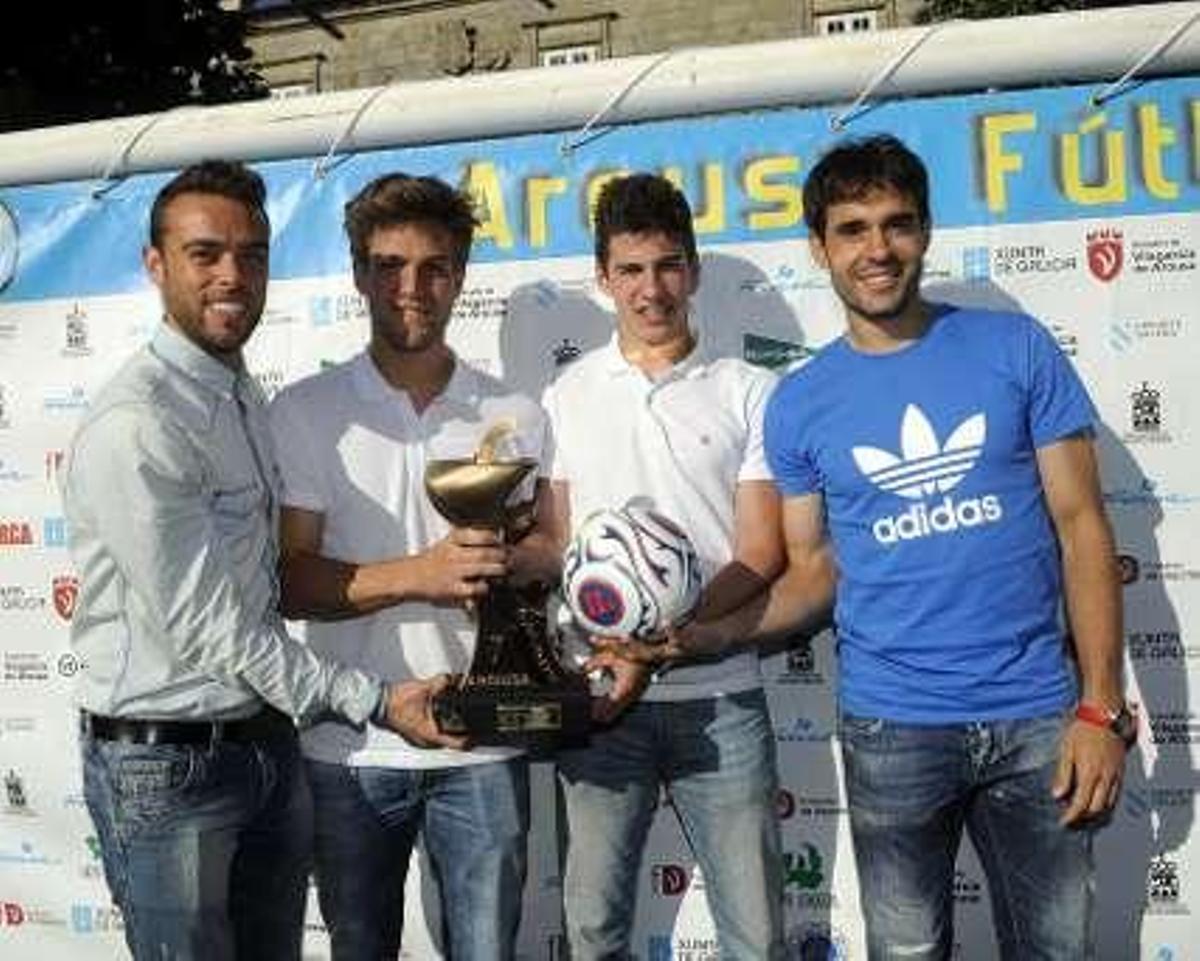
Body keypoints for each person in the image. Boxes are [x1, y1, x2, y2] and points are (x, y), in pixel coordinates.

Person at [619, 134, 1131, 960]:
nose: (878, 248)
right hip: (893, 729)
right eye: (852, 229)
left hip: (1038, 715)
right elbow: (813, 568)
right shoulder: (799, 403)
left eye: (896, 224)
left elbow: (1084, 528)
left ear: (925, 231)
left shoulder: (1016, 349)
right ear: (820, 247)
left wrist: (1100, 705)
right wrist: (703, 635)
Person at [64, 159, 461, 961]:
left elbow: (265, 587)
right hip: (166, 768)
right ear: (156, 265)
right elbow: (217, 630)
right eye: (205, 253)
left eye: (251, 254)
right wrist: (379, 700)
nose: (232, 275)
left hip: (262, 743)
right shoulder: (140, 423)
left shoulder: (239, 392)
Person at [267, 172, 552, 961]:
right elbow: (291, 579)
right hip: (352, 744)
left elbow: (545, 557)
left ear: (460, 276)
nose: (411, 287)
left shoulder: (516, 414)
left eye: (433, 267)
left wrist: (518, 570)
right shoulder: (305, 410)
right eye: (389, 265)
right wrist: (421, 573)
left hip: (485, 746)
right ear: (360, 275)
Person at [539, 173, 787, 959]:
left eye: (669, 266)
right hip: (601, 697)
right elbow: (554, 543)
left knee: (756, 933)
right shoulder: (564, 395)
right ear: (603, 279)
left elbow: (760, 551)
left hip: (722, 697)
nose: (652, 289)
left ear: (695, 272)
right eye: (633, 270)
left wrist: (668, 636)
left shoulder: (752, 391)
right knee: (594, 928)